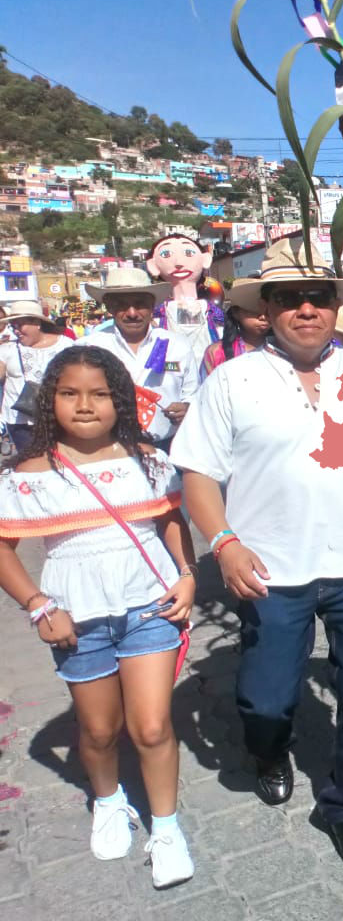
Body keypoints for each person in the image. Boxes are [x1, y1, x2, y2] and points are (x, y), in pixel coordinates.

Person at [172, 245, 343, 868]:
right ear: (268, 310)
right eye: (289, 298)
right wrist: (224, 545)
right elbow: (197, 473)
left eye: (319, 296)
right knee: (265, 698)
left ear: (337, 307)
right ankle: (268, 748)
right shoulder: (233, 378)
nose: (306, 307)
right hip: (269, 571)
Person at [0, 346, 197, 888]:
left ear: (122, 401)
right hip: (77, 617)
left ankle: (166, 827)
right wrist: (38, 604)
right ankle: (108, 800)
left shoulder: (149, 459)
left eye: (100, 394)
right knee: (98, 729)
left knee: (153, 726)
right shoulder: (27, 475)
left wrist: (186, 574)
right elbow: (3, 545)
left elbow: (172, 518)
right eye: (69, 393)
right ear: (49, 402)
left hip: (150, 606)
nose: (84, 405)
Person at [82, 268, 198, 453]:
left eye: (140, 304)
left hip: (168, 447)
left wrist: (187, 408)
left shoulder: (177, 345)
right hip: (108, 448)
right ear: (110, 307)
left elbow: (192, 394)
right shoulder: (88, 348)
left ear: (152, 306)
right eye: (122, 305)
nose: (132, 313)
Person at [0, 300, 74, 452]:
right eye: (13, 326)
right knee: (30, 462)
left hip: (57, 418)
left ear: (37, 322)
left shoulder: (66, 346)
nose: (16, 330)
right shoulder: (8, 349)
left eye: (20, 325)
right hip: (19, 421)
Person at [199, 287, 271, 381]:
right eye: (255, 311)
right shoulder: (217, 352)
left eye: (268, 312)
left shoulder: (283, 349)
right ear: (236, 313)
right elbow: (207, 391)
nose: (263, 317)